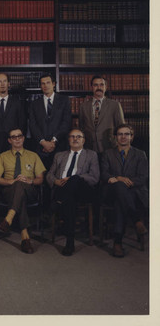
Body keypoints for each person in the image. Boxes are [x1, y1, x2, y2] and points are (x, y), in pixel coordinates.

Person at [46, 128, 100, 256]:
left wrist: (73, 179)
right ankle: (69, 242)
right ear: (68, 140)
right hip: (64, 190)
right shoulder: (59, 155)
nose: (75, 139)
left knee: (75, 178)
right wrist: (56, 181)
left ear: (84, 140)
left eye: (79, 137)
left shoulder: (91, 155)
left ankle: (57, 201)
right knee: (69, 200)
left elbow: (94, 177)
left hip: (83, 190)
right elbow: (49, 175)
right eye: (72, 136)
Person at [0, 128, 46, 254]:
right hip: (9, 191)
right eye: (13, 137)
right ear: (9, 140)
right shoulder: (3, 156)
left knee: (21, 184)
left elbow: (40, 179)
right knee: (18, 186)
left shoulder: (33, 155)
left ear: (23, 138)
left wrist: (30, 180)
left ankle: (8, 219)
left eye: (19, 136)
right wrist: (10, 181)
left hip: (30, 190)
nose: (17, 139)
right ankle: (24, 235)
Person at [100, 124, 148, 258]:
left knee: (119, 201)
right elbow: (104, 174)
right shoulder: (108, 153)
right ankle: (136, 219)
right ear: (115, 137)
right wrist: (118, 178)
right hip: (111, 191)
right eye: (120, 134)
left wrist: (126, 181)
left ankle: (118, 242)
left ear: (131, 137)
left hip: (135, 192)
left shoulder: (140, 154)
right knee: (119, 188)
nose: (123, 137)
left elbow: (143, 177)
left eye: (126, 134)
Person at [28, 73, 71, 169]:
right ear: (40, 86)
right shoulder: (34, 104)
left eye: (48, 83)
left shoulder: (64, 100)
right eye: (43, 83)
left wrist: (53, 141)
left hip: (59, 146)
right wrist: (43, 142)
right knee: (41, 177)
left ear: (54, 84)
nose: (45, 85)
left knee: (58, 176)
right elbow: (32, 125)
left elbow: (66, 123)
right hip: (40, 148)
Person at [78, 76, 125, 154]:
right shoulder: (83, 106)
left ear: (105, 87)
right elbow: (81, 127)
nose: (99, 87)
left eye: (101, 85)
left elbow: (121, 128)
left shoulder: (115, 105)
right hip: (89, 148)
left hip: (110, 147)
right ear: (92, 87)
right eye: (95, 85)